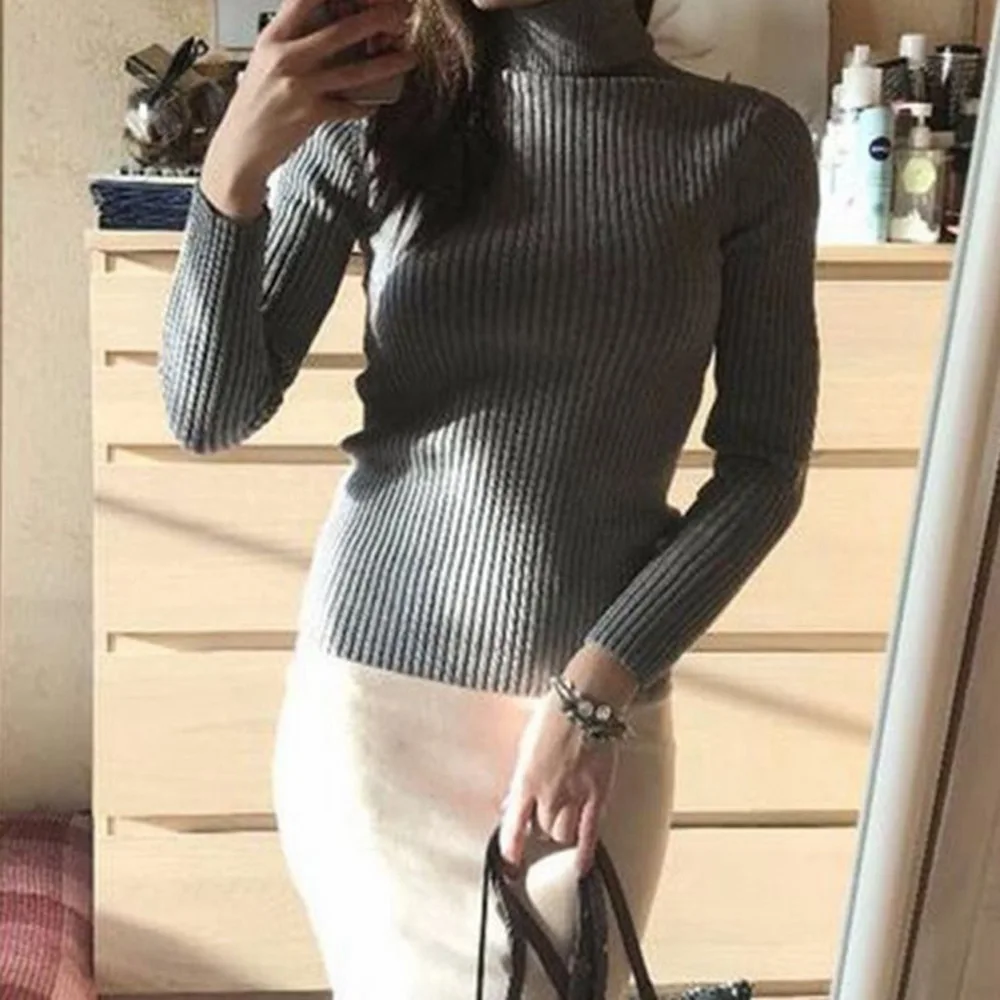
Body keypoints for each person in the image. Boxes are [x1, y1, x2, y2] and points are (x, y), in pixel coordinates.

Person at [160, 0, 819, 994]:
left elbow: (765, 468)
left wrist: (594, 695)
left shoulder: (743, 145)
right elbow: (210, 410)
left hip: (593, 721)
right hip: (373, 717)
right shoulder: (375, 112)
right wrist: (233, 173)